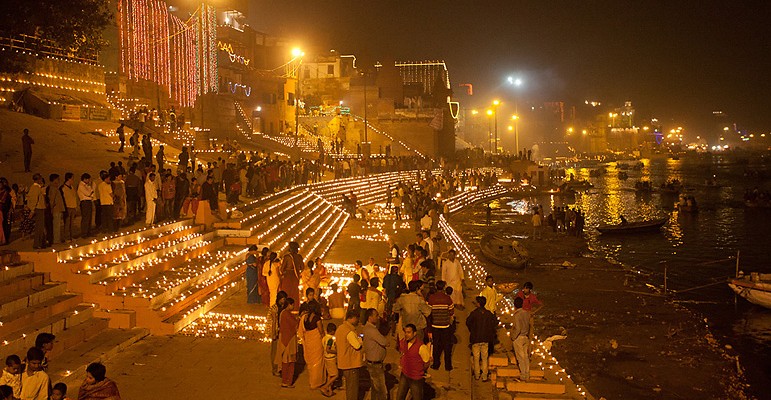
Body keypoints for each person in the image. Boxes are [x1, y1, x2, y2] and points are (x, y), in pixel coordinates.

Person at [466, 296, 497, 381]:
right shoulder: (488, 314)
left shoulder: (474, 313)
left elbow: (468, 322)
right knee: (484, 358)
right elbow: (494, 322)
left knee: (476, 358)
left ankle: (477, 375)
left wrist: (472, 330)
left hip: (475, 339)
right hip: (485, 339)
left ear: (478, 304)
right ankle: (484, 375)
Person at [396, 324, 430, 400]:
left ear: (414, 333)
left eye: (409, 332)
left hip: (416, 379)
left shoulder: (421, 347)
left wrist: (419, 370)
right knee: (399, 397)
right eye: (405, 332)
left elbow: (427, 362)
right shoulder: (404, 342)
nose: (406, 334)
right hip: (404, 375)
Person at [336, 310, 363, 400]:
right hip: (351, 364)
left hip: (343, 362)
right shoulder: (349, 331)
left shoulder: (340, 328)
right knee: (352, 389)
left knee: (349, 387)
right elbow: (357, 345)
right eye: (357, 318)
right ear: (352, 318)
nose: (358, 321)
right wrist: (360, 340)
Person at [299, 301, 325, 392]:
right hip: (316, 341)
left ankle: (312, 381)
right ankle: (317, 382)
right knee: (317, 362)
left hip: (309, 341)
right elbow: (321, 331)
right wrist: (325, 340)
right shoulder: (317, 318)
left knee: (311, 362)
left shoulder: (304, 317)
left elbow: (303, 329)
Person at [428, 280, 455, 371]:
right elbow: (451, 311)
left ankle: (436, 365)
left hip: (435, 325)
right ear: (443, 287)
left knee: (436, 346)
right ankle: (448, 366)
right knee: (447, 346)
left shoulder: (431, 298)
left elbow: (429, 312)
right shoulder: (447, 298)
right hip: (445, 325)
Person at [362, 309, 388, 400]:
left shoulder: (369, 328)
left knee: (375, 389)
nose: (378, 317)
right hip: (375, 365)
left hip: (372, 363)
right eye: (376, 315)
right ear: (370, 317)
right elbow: (384, 342)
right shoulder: (371, 330)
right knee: (381, 390)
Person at [276, 298, 299, 388]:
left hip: (285, 339)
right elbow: (294, 323)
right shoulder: (286, 314)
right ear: (288, 305)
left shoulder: (283, 313)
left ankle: (285, 380)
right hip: (289, 340)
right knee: (289, 362)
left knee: (286, 361)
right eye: (292, 305)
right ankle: (287, 381)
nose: (293, 306)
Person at [267, 291, 288, 377]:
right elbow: (272, 322)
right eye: (283, 299)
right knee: (275, 352)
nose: (284, 300)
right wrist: (273, 333)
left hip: (283, 332)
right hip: (275, 332)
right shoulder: (274, 308)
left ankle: (281, 368)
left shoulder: (284, 307)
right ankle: (275, 369)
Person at [511, 297, 530, 381]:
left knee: (520, 358)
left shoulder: (516, 315)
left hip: (519, 337)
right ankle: (527, 374)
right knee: (525, 357)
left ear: (514, 305)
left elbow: (517, 328)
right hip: (526, 337)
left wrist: (513, 337)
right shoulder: (526, 313)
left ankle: (523, 375)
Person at [27, 174, 47, 249]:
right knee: (39, 227)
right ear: (38, 179)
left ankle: (41, 243)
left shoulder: (37, 188)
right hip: (38, 209)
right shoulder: (35, 188)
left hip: (40, 208)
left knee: (41, 227)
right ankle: (37, 244)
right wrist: (32, 210)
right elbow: (34, 200)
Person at [320, 323, 339, 397]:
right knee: (336, 375)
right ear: (332, 331)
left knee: (330, 375)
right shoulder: (330, 339)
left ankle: (330, 390)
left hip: (326, 358)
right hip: (331, 358)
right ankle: (325, 387)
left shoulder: (324, 338)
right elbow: (328, 349)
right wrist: (337, 352)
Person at [47, 174, 65, 245]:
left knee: (57, 225)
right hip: (56, 209)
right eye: (58, 179)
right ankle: (56, 240)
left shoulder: (55, 187)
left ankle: (57, 239)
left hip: (57, 209)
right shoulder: (53, 188)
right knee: (56, 226)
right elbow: (52, 200)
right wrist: (51, 209)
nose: (59, 181)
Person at [60, 173, 78, 242]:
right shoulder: (63, 188)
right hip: (67, 207)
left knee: (72, 223)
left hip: (73, 207)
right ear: (68, 178)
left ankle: (71, 236)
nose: (73, 180)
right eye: (72, 178)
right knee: (67, 223)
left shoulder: (72, 187)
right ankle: (66, 237)